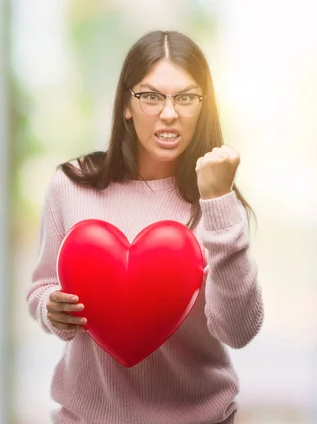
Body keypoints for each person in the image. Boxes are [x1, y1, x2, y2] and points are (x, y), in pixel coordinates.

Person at [26, 30, 264, 424]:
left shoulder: (217, 200)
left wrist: (219, 202)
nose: (168, 112)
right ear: (126, 105)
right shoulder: (70, 184)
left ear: (203, 107)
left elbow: (238, 331)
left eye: (185, 97)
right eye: (151, 96)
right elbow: (42, 287)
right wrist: (52, 310)